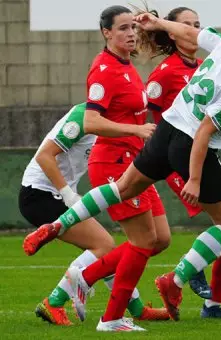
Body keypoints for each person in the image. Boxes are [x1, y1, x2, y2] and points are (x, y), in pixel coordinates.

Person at [25, 13, 221, 322]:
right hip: (181, 145)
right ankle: (172, 282)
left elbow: (190, 36)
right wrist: (194, 178)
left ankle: (60, 226)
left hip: (165, 134)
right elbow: (202, 129)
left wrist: (160, 23)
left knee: (141, 213)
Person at [24, 6, 173, 331]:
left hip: (131, 164)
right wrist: (69, 196)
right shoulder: (93, 98)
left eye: (133, 27)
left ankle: (127, 305)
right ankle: (64, 298)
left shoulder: (127, 67)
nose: (131, 33)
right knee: (116, 244)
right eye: (123, 28)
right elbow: (48, 155)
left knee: (157, 239)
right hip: (44, 191)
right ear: (106, 32)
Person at [139, 6, 221, 318]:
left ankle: (207, 295)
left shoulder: (210, 64)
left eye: (196, 24)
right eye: (185, 26)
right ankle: (188, 277)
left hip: (202, 155)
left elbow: (211, 113)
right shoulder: (164, 73)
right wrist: (175, 171)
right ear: (172, 33)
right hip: (179, 160)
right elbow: (151, 122)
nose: (192, 30)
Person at [19, 103, 170, 325]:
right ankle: (55, 300)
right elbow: (44, 156)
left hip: (54, 193)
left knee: (107, 251)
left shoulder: (111, 122)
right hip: (40, 194)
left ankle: (136, 308)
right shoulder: (84, 117)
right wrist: (68, 195)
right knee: (105, 246)